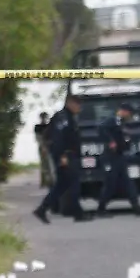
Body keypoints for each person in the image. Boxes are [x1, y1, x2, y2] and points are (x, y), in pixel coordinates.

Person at [34, 94, 91, 223]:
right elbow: (58, 139)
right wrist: (62, 156)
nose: (79, 108)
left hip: (68, 155)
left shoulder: (67, 117)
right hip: (66, 156)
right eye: (78, 105)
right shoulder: (63, 118)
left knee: (62, 185)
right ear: (70, 104)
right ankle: (78, 214)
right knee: (74, 184)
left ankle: (42, 209)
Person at [96, 102, 140, 216]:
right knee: (110, 183)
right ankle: (101, 209)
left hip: (120, 156)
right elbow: (101, 128)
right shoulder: (113, 120)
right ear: (124, 111)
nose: (130, 116)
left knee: (128, 183)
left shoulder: (122, 123)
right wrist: (110, 141)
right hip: (110, 157)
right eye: (129, 113)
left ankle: (136, 207)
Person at [34, 112, 55, 188]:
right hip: (43, 146)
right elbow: (38, 138)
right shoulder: (38, 127)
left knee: (50, 164)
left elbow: (52, 137)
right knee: (44, 165)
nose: (44, 119)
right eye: (43, 117)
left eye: (45, 117)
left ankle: (50, 181)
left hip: (49, 146)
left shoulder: (49, 126)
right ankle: (45, 181)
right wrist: (43, 147)